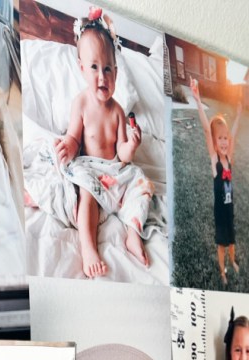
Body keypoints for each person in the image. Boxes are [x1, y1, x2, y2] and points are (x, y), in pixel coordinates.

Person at [24, 9, 154, 278]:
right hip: (90, 169)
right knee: (86, 193)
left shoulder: (118, 111)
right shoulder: (81, 103)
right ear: (82, 69)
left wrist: (131, 146)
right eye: (94, 67)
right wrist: (70, 146)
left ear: (116, 73)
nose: (102, 77)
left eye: (108, 68)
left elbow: (122, 155)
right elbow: (73, 136)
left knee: (142, 183)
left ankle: (132, 233)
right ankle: (88, 247)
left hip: (114, 171)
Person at [190, 78, 243, 285]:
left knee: (232, 242)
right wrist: (197, 100)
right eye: (219, 138)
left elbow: (235, 134)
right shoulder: (216, 162)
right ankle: (223, 271)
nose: (223, 141)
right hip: (220, 215)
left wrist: (238, 115)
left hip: (229, 211)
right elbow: (206, 129)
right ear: (214, 141)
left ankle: (233, 261)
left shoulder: (228, 159)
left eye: (225, 138)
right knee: (222, 244)